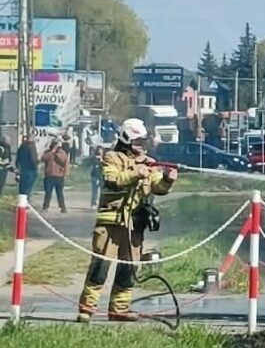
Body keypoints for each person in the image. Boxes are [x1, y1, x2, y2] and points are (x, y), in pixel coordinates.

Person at [76, 118, 178, 323]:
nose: (142, 145)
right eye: (138, 141)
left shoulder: (149, 163)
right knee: (100, 266)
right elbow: (113, 179)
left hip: (134, 225)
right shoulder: (111, 158)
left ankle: (119, 310)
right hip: (111, 223)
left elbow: (157, 186)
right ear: (126, 139)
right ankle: (87, 309)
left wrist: (167, 179)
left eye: (144, 141)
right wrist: (134, 173)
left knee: (129, 268)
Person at [40, 138, 70, 213]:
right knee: (48, 193)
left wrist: (65, 174)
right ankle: (45, 207)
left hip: (59, 176)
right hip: (49, 175)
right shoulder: (48, 152)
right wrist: (51, 152)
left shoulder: (63, 153)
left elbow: (65, 162)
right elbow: (43, 158)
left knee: (60, 193)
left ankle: (63, 207)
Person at [15, 136, 38, 201]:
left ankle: (21, 202)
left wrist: (18, 169)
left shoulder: (21, 147)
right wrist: (35, 167)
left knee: (22, 188)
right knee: (28, 188)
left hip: (22, 170)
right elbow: (33, 159)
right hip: (30, 170)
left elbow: (17, 161)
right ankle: (26, 202)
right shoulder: (31, 147)